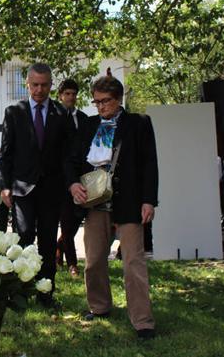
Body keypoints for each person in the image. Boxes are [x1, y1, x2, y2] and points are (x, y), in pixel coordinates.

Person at [67, 75, 158, 340]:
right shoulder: (88, 125)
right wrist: (73, 184)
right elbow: (71, 160)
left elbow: (149, 163)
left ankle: (143, 321)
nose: (100, 107)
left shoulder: (138, 123)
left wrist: (148, 200)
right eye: (96, 102)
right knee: (94, 261)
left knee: (133, 263)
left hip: (129, 201)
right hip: (95, 203)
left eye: (105, 101)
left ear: (118, 99)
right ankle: (100, 307)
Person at [0, 63, 71, 308]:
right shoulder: (14, 112)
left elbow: (68, 154)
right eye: (35, 85)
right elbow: (5, 154)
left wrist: (69, 184)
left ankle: (46, 292)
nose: (39, 90)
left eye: (44, 85)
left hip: (51, 190)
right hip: (21, 187)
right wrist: (4, 186)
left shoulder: (62, 114)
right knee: (24, 236)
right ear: (27, 84)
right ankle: (20, 292)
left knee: (48, 241)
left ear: (51, 85)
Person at [54, 79, 88, 278]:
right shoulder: (54, 117)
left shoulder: (83, 118)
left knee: (77, 219)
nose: (71, 97)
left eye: (73, 94)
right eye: (67, 93)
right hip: (60, 178)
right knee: (66, 221)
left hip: (81, 176)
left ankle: (60, 248)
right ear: (60, 95)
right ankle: (72, 264)